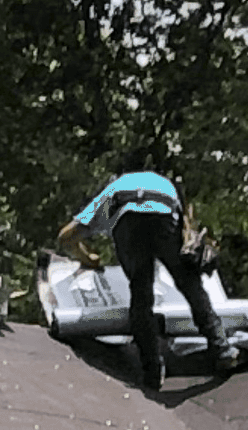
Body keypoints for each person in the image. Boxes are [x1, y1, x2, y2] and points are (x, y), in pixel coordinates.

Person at [55, 167, 233, 397]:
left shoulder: (109, 197)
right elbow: (184, 223)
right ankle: (222, 349)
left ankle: (152, 370)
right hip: (165, 212)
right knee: (189, 284)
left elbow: (65, 237)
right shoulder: (161, 183)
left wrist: (87, 259)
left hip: (128, 220)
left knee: (141, 293)